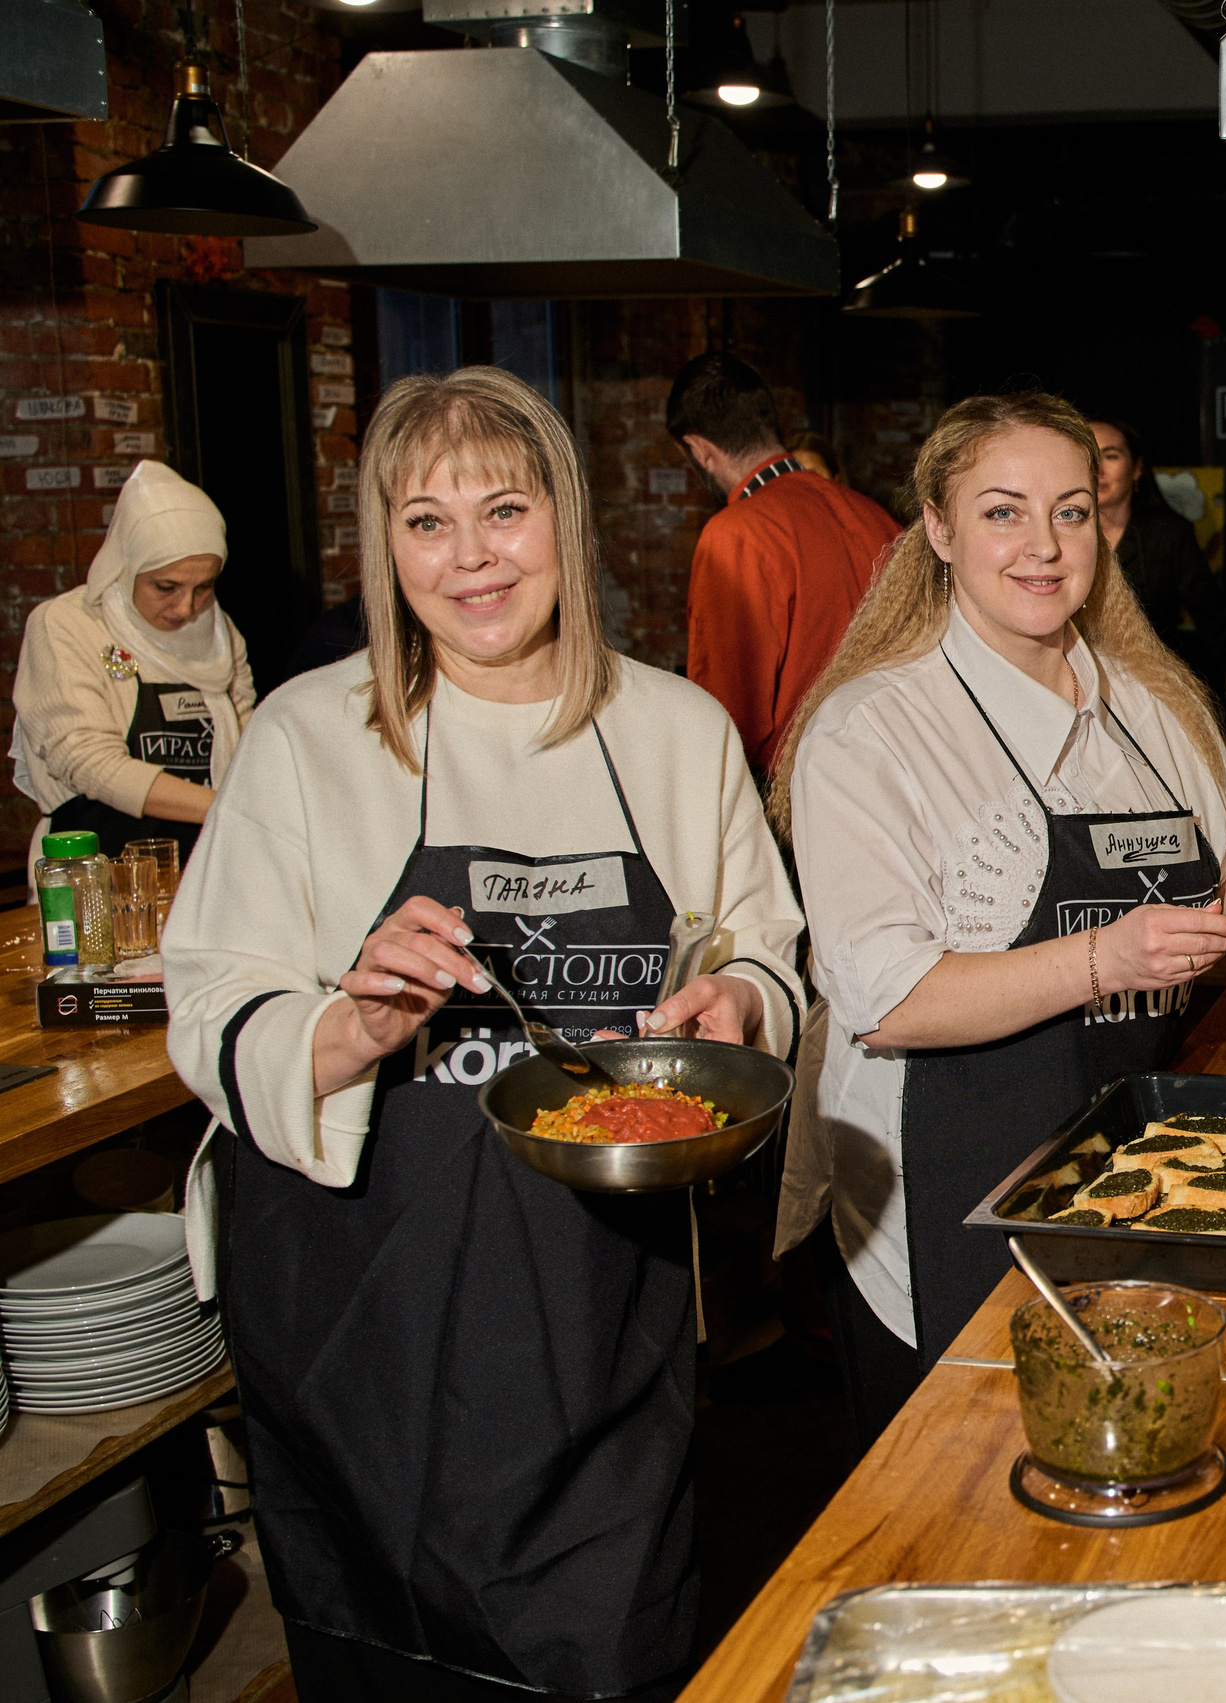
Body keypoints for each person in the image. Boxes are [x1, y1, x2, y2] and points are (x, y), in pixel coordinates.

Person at [161, 367, 804, 1703]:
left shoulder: (677, 732)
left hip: (601, 1304)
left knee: (611, 1646)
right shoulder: (303, 737)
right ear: (384, 549)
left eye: (503, 510)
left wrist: (739, 1003)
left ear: (563, 517)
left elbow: (769, 957)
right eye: (425, 522)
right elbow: (212, 998)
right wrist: (351, 1020)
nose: (469, 560)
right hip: (363, 1310)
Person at [772, 392, 1226, 1449]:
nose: (1044, 546)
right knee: (970, 1505)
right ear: (937, 524)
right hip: (957, 1179)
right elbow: (888, 1000)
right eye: (1004, 511)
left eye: (1072, 511)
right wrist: (1105, 954)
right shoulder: (874, 730)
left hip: (1150, 1168)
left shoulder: (1143, 704)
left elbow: (1224, 860)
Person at [667, 352, 901, 775]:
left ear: (700, 450)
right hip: (889, 774)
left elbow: (728, 715)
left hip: (795, 795)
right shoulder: (874, 515)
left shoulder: (736, 533)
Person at [10, 460, 254, 866]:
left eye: (204, 587)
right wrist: (230, 809)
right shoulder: (68, 625)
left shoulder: (218, 633)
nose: (186, 608)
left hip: (203, 862)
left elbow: (248, 747)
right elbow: (89, 763)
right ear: (126, 566)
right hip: (93, 866)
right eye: (166, 587)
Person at [1090, 416, 1226, 732]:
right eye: (1088, 455)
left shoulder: (1168, 536)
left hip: (1148, 708)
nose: (1098, 468)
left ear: (1137, 468)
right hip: (1070, 702)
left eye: (1111, 455)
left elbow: (1222, 631)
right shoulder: (1055, 535)